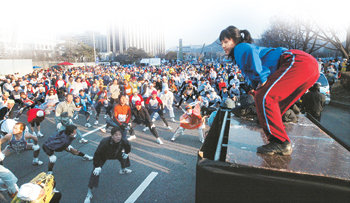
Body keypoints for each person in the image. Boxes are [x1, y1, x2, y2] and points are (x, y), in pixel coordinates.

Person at [219, 26, 319, 155]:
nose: (223, 45)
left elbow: (251, 53)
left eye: (226, 42)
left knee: (265, 97)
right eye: (221, 43)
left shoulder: (240, 47)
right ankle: (274, 122)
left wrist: (262, 77)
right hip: (309, 66)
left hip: (296, 61)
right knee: (274, 100)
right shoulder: (240, 52)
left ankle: (280, 141)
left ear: (235, 40)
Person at [84, 126, 132, 203]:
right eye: (116, 135)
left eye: (120, 134)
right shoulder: (105, 142)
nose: (118, 137)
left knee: (124, 157)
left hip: (116, 154)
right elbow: (97, 154)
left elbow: (128, 147)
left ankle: (123, 169)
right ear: (112, 136)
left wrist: (126, 153)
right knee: (95, 172)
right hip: (103, 156)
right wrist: (97, 166)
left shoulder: (124, 141)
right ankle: (89, 194)